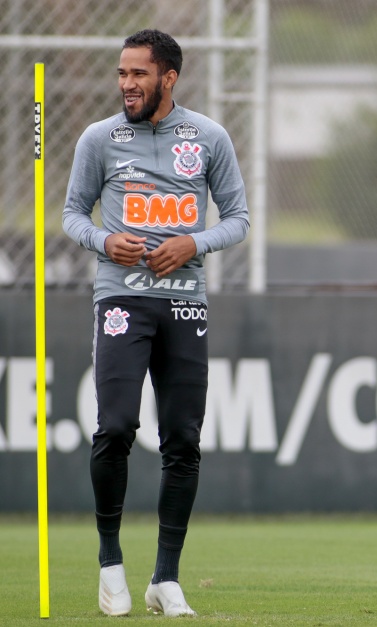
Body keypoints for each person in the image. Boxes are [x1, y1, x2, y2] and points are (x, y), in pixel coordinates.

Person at [63, 29, 250, 617]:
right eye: (122, 73)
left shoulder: (209, 137)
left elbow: (239, 219)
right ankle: (111, 563)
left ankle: (165, 576)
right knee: (115, 426)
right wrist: (102, 239)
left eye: (138, 74)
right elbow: (72, 213)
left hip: (186, 301)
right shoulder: (99, 138)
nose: (126, 84)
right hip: (120, 297)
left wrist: (193, 241)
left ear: (168, 78)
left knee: (183, 439)